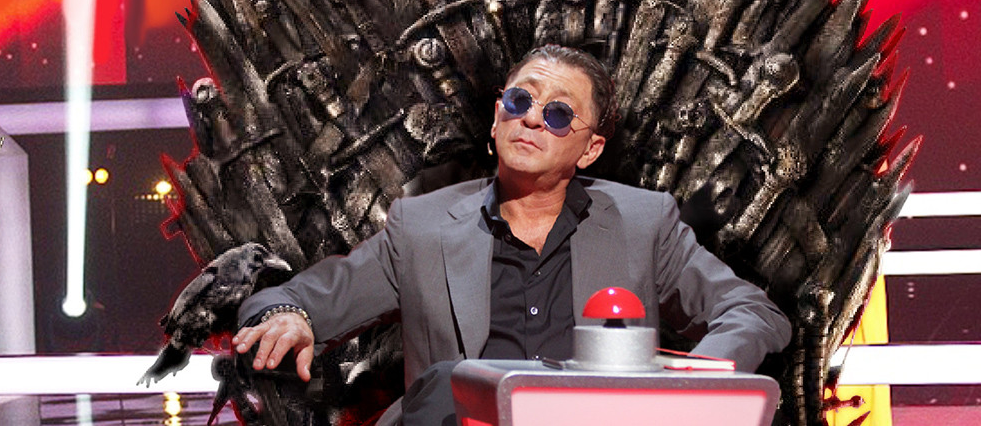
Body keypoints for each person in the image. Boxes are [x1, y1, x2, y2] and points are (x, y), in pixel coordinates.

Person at [233, 44, 792, 424]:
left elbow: (753, 313)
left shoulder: (645, 223)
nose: (531, 119)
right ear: (498, 114)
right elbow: (296, 299)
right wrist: (289, 317)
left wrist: (686, 391)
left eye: (558, 115)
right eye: (520, 102)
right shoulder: (421, 227)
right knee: (449, 381)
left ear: (590, 149)